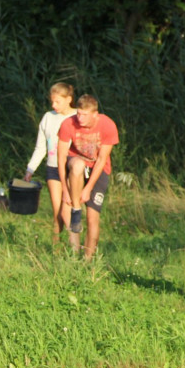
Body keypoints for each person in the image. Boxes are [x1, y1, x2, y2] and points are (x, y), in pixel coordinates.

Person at [57, 94, 119, 259]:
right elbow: (61, 157)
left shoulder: (107, 125)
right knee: (77, 165)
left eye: (84, 115)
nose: (80, 118)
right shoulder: (68, 124)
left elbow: (101, 160)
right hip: (75, 165)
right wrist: (65, 189)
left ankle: (88, 259)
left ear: (95, 114)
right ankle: (74, 251)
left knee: (92, 217)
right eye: (78, 113)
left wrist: (88, 189)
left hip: (97, 168)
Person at [24, 82, 77, 240]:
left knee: (68, 210)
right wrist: (30, 170)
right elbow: (41, 148)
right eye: (52, 101)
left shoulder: (77, 117)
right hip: (53, 168)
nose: (54, 105)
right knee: (57, 212)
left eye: (57, 102)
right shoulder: (48, 117)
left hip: (72, 169)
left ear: (68, 99)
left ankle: (74, 245)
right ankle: (56, 248)